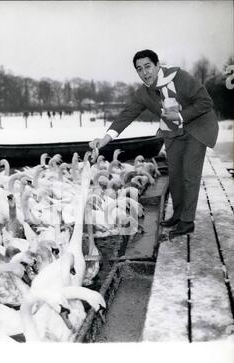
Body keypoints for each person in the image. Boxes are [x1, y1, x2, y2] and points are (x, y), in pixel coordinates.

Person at [89, 49, 219, 236]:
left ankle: (187, 221)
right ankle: (178, 214)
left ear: (158, 65)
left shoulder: (180, 77)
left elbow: (206, 102)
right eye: (139, 69)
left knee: (190, 173)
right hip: (173, 130)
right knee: (175, 174)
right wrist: (106, 138)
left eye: (148, 66)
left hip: (198, 126)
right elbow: (127, 114)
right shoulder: (144, 93)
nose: (145, 73)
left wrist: (181, 115)